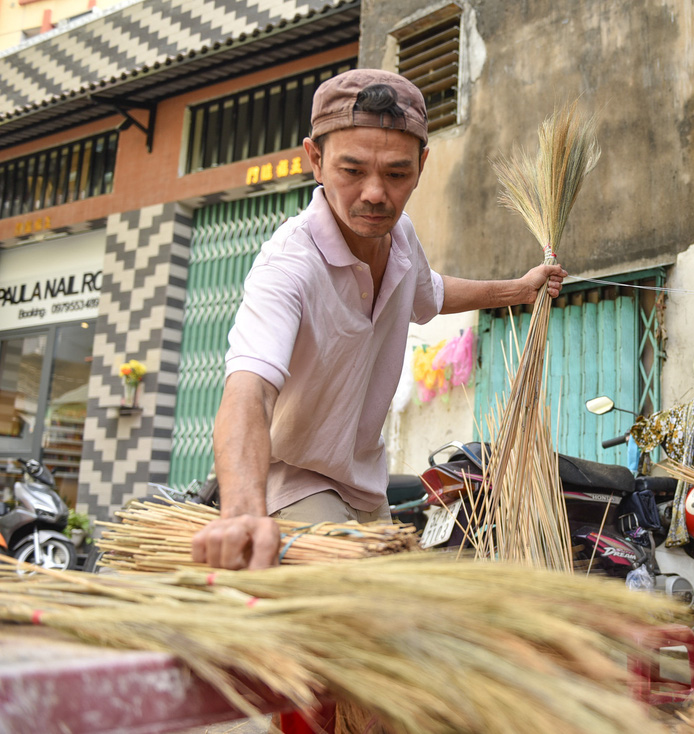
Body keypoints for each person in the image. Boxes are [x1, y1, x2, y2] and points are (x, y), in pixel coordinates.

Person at [190, 69, 565, 571]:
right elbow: (249, 389)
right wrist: (240, 514)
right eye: (352, 170)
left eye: (396, 174)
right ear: (315, 160)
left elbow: (429, 291)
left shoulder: (402, 236)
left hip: (368, 488)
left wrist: (517, 289)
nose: (375, 194)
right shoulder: (287, 266)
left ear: (421, 164)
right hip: (297, 483)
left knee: (397, 626)